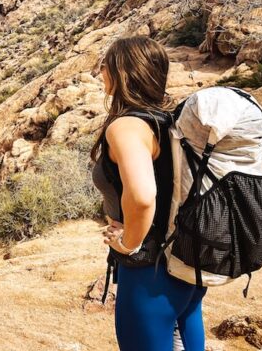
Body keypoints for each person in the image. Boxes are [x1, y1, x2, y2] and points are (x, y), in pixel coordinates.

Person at [90, 36, 208, 351]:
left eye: (106, 64)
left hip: (150, 272)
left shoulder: (127, 126)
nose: (102, 71)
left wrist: (128, 244)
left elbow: (142, 196)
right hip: (185, 262)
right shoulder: (169, 122)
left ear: (121, 72)